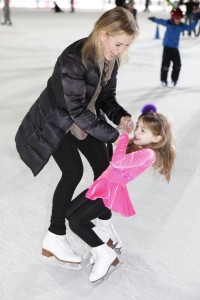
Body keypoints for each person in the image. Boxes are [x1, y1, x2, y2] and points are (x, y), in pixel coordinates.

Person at [15, 7, 138, 267]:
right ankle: (55, 235)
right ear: (103, 34)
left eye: (125, 46)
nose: (119, 51)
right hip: (56, 122)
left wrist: (121, 118)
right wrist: (113, 135)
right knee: (72, 172)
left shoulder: (110, 60)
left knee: (105, 170)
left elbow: (105, 98)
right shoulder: (75, 58)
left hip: (85, 120)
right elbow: (76, 110)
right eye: (117, 44)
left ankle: (102, 225)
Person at [64, 104, 176, 282]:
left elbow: (118, 162)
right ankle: (102, 240)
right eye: (138, 127)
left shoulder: (148, 154)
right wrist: (120, 132)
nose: (137, 133)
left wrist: (122, 138)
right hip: (102, 184)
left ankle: (104, 254)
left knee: (76, 223)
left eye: (143, 131)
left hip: (111, 192)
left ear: (157, 138)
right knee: (69, 213)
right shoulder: (139, 146)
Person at [148, 8, 198, 87]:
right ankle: (163, 80)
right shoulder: (168, 23)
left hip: (175, 49)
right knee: (165, 65)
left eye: (180, 18)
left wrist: (196, 20)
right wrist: (154, 19)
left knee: (178, 65)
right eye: (176, 18)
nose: (178, 20)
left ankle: (174, 79)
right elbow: (160, 21)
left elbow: (190, 27)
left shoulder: (181, 26)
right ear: (173, 17)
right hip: (167, 48)